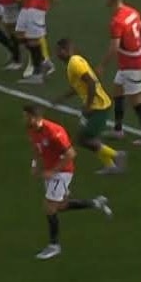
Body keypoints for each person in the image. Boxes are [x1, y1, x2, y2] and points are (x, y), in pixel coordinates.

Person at [23, 104, 112, 261]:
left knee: (49, 207)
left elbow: (71, 154)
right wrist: (35, 164)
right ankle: (96, 203)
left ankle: (54, 246)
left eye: (27, 116)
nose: (25, 119)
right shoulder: (31, 129)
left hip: (62, 172)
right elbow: (36, 148)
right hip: (51, 171)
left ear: (37, 118)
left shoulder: (54, 131)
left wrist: (53, 171)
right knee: (61, 206)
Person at [55, 38, 128, 175]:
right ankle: (110, 166)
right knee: (89, 137)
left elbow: (91, 83)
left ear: (65, 51)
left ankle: (117, 155)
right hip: (95, 105)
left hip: (98, 107)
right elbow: (79, 86)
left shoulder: (74, 63)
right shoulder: (75, 62)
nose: (57, 54)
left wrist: (88, 106)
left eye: (58, 51)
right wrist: (63, 97)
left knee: (84, 139)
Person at [97, 0, 141, 145]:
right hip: (134, 60)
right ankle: (118, 129)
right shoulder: (132, 12)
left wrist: (102, 65)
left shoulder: (116, 22)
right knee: (118, 91)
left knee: (136, 100)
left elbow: (114, 47)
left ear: (111, 0)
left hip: (130, 64)